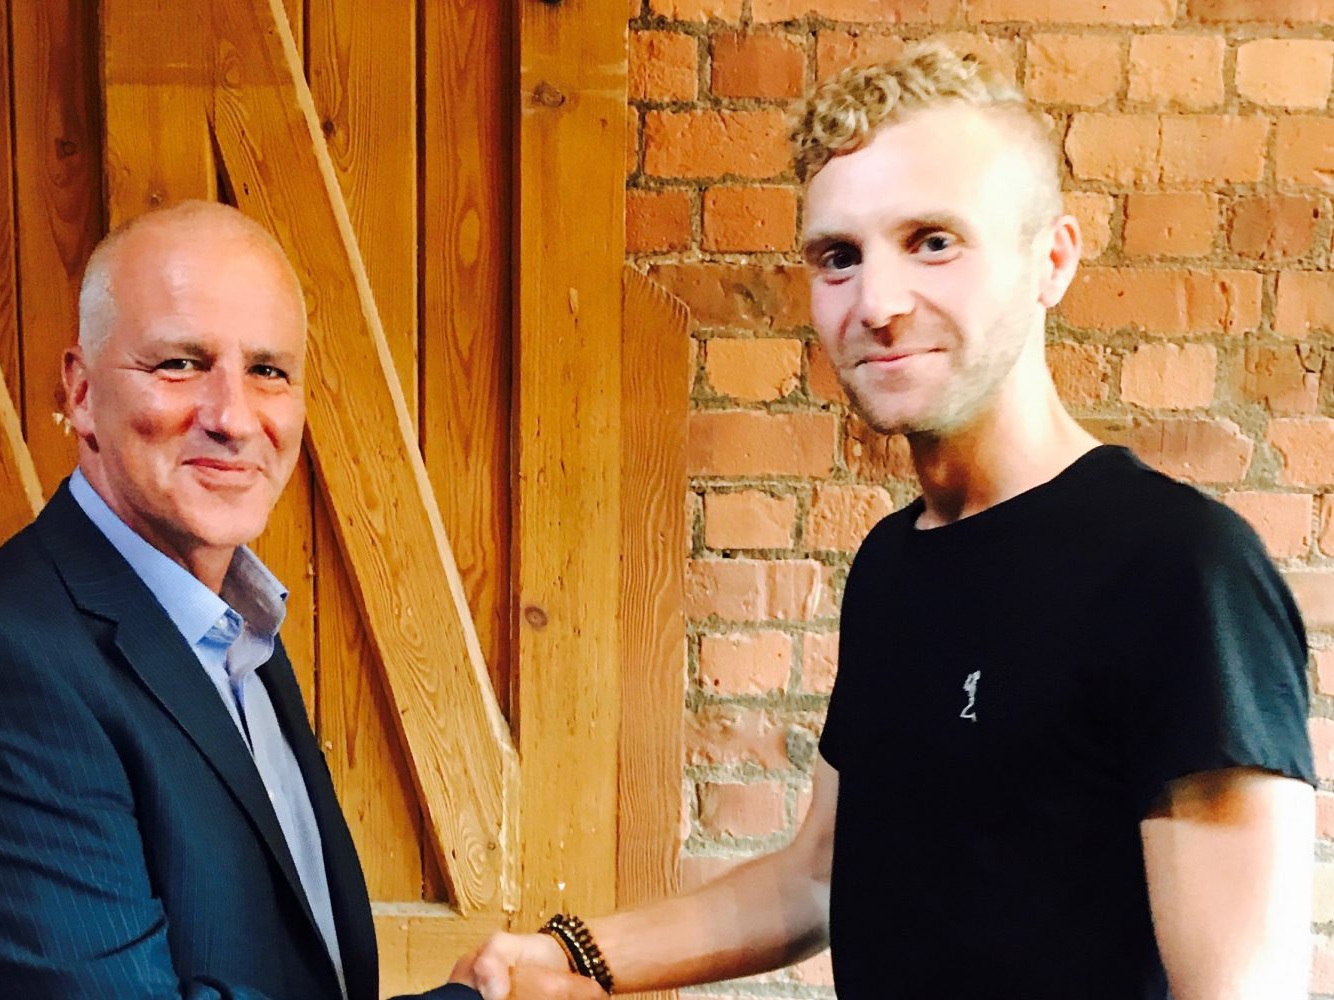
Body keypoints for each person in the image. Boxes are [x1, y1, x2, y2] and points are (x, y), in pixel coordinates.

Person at [452, 44, 1316, 1000]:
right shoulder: (895, 564)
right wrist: (571, 957)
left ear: (1053, 260)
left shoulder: (1179, 570)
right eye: (838, 257)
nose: (878, 304)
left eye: (932, 241)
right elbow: (817, 876)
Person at [0, 200, 479, 1000]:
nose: (234, 417)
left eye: (268, 371)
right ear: (79, 392)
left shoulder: (236, 635)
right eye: (180, 363)